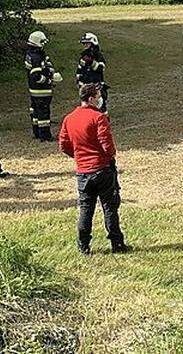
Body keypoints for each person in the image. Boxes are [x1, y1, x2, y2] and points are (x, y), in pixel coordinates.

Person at [59, 83, 128, 255]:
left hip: (83, 172)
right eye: (98, 97)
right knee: (110, 207)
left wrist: (79, 157)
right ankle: (117, 244)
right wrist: (109, 156)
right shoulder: (98, 117)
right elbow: (107, 144)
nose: (100, 99)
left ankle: (83, 246)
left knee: (85, 208)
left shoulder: (69, 118)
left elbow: (63, 145)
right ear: (91, 99)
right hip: (102, 169)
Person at [26, 30, 61, 142]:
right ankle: (45, 136)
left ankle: (37, 133)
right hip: (41, 91)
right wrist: (49, 80)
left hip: (33, 91)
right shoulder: (37, 58)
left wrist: (49, 70)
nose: (44, 44)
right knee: (43, 114)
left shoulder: (32, 55)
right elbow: (36, 76)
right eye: (42, 42)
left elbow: (48, 65)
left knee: (35, 112)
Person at [76, 33, 109, 112]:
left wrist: (91, 62)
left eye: (87, 43)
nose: (85, 45)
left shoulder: (98, 55)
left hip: (96, 87)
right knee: (86, 108)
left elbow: (101, 68)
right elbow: (79, 70)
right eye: (84, 43)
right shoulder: (83, 56)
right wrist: (79, 83)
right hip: (86, 87)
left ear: (93, 42)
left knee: (100, 107)